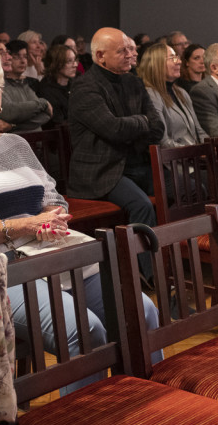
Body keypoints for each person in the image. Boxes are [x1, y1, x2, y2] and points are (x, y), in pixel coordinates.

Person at [0, 46, 158, 392]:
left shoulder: (16, 143)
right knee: (84, 330)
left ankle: (149, 400)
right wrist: (24, 225)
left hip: (46, 254)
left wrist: (50, 215)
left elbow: (53, 197)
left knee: (143, 312)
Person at [68, 28, 164, 278]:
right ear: (100, 56)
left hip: (134, 164)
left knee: (187, 190)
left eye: (132, 49)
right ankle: (151, 278)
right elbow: (112, 129)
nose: (132, 55)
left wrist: (135, 124)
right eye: (123, 51)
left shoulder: (133, 81)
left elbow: (158, 127)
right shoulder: (85, 87)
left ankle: (179, 263)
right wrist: (141, 122)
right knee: (142, 206)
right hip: (102, 171)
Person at [139, 42, 205, 148]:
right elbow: (163, 142)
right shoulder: (151, 95)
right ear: (157, 63)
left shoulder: (181, 92)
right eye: (172, 58)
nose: (179, 62)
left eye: (177, 57)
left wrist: (210, 148)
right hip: (176, 161)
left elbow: (199, 131)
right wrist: (195, 153)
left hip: (193, 158)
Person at [2, 40, 52, 131]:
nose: (22, 61)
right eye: (16, 57)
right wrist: (42, 103)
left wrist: (13, 126)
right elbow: (11, 113)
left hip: (37, 139)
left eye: (25, 57)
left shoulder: (31, 83)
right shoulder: (2, 85)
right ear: (8, 58)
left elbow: (46, 114)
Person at [34, 43, 78, 124]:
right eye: (69, 61)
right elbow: (58, 122)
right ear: (56, 64)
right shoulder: (46, 90)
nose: (75, 65)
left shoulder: (75, 84)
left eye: (75, 60)